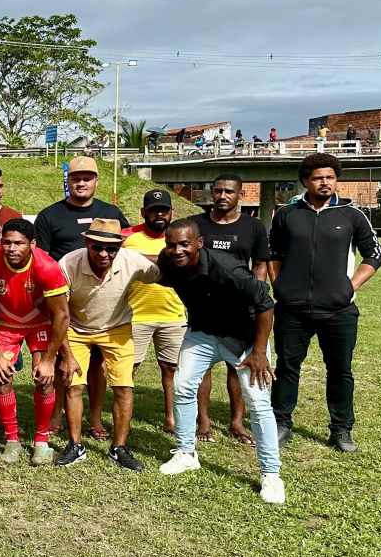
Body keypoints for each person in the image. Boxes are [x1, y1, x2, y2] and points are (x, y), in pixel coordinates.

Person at [156, 219, 285, 504]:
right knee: (183, 385)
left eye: (184, 244)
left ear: (199, 243)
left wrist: (260, 352)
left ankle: (271, 475)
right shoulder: (169, 262)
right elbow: (151, 268)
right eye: (171, 245)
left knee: (258, 402)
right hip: (203, 332)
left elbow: (266, 304)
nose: (177, 250)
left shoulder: (229, 270)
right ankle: (186, 453)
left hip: (242, 338)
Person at [269, 153, 381, 452]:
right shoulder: (286, 214)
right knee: (287, 367)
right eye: (319, 177)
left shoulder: (352, 215)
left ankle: (341, 429)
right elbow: (273, 254)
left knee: (340, 369)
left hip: (338, 310)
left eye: (330, 177)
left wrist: (351, 285)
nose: (325, 182)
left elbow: (375, 254)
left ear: (336, 180)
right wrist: (278, 285)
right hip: (292, 309)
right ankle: (281, 423)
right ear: (306, 180)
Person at [56, 218, 161, 471]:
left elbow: (163, 273)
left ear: (120, 246)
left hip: (117, 327)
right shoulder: (68, 263)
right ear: (87, 243)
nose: (104, 254)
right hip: (76, 328)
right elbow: (59, 314)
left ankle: (119, 447)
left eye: (111, 248)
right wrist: (67, 355)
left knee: (124, 386)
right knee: (73, 385)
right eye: (97, 247)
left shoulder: (133, 261)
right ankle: (75, 445)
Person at [33, 155, 126, 439]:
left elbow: (124, 251)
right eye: (76, 178)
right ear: (68, 181)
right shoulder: (50, 216)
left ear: (96, 181)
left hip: (101, 301)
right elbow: (42, 259)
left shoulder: (112, 213)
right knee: (64, 359)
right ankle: (58, 413)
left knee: (97, 362)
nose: (82, 183)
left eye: (87, 178)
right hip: (63, 300)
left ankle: (95, 417)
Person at [0, 218, 70, 466]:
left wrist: (49, 360)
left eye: (19, 243)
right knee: (2, 377)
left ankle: (41, 442)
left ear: (32, 244)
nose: (12, 248)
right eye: (7, 242)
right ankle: (12, 440)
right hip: (6, 326)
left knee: (45, 380)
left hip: (40, 325)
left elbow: (61, 315)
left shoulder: (47, 266)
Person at [195, 175, 271, 444]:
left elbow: (260, 263)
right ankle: (203, 421)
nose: (222, 196)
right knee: (202, 366)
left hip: (240, 307)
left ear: (240, 194)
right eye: (218, 191)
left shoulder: (253, 226)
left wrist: (256, 292)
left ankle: (236, 421)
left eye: (229, 191)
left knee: (235, 365)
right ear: (211, 193)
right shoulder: (197, 224)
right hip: (204, 306)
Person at [122, 190, 191, 438]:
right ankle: (123, 419)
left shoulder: (177, 239)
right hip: (136, 314)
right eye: (153, 210)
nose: (159, 214)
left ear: (172, 212)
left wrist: (143, 259)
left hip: (172, 315)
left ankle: (171, 418)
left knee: (171, 369)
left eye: (163, 210)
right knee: (129, 369)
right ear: (144, 213)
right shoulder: (129, 239)